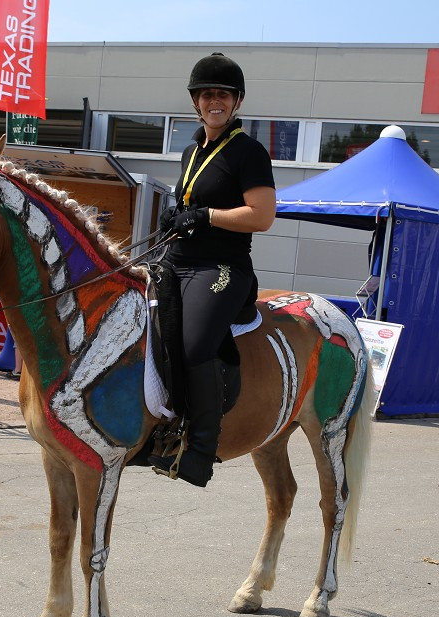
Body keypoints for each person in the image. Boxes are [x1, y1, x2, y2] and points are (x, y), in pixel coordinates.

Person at [146, 52, 276, 487]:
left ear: (236, 102)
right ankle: (156, 423)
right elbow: (191, 204)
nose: (213, 101)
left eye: (222, 94)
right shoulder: (190, 151)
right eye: (205, 95)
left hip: (223, 267)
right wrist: (176, 216)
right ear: (195, 102)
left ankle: (199, 448)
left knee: (195, 342)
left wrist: (206, 217)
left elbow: (262, 215)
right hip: (178, 260)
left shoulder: (249, 152)